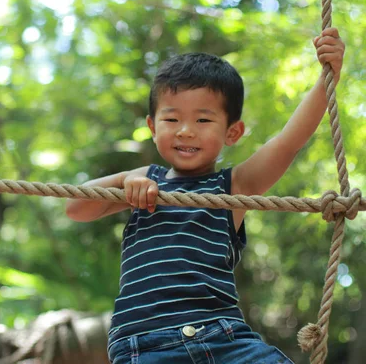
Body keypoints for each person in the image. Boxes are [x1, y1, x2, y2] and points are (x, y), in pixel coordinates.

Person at [65, 27, 345, 364]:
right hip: (144, 344)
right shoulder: (145, 180)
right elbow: (75, 207)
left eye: (202, 119)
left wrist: (327, 78)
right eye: (172, 118)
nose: (185, 130)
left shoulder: (233, 189)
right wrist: (125, 182)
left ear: (232, 132)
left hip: (223, 338)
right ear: (153, 127)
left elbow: (288, 142)